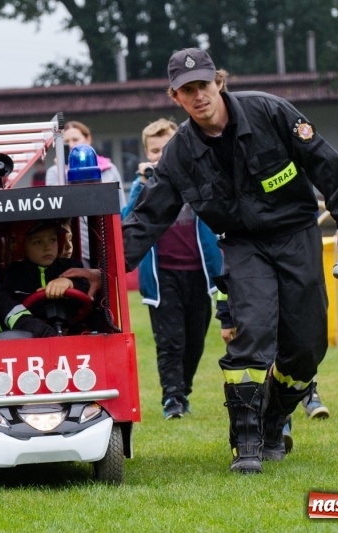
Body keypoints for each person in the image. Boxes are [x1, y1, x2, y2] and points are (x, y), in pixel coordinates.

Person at [121, 48, 338, 474]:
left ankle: (274, 419)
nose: (198, 96)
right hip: (241, 243)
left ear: (219, 81)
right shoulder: (178, 152)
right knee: (251, 334)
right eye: (187, 91)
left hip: (296, 234)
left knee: (307, 347)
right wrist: (105, 269)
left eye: (203, 85)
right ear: (175, 97)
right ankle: (246, 441)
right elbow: (147, 218)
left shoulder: (271, 111)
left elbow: (324, 161)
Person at [121, 118, 223, 420]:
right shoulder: (144, 185)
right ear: (146, 155)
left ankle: (184, 389)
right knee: (170, 340)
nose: (160, 156)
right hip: (162, 274)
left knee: (195, 340)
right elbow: (128, 222)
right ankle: (172, 398)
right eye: (154, 151)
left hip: (199, 273)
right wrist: (141, 185)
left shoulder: (195, 178)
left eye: (166, 149)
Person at [216, 294, 330, 420]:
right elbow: (228, 276)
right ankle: (276, 413)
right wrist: (225, 312)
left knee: (301, 341)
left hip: (295, 291)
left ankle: (308, 392)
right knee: (267, 343)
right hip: (258, 295)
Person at [45, 120, 126, 266]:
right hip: (74, 244)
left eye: (75, 139)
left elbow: (121, 206)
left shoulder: (109, 168)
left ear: (88, 139)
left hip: (106, 240)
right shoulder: (54, 172)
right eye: (66, 141)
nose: (71, 145)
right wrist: (64, 173)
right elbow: (56, 208)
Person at [0, 220, 91, 334]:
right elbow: (6, 309)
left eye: (53, 240)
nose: (48, 247)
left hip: (74, 337)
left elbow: (90, 290)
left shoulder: (71, 266)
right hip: (30, 340)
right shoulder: (12, 275)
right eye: (38, 242)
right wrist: (41, 331)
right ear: (21, 246)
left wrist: (69, 283)